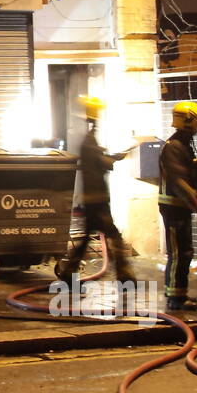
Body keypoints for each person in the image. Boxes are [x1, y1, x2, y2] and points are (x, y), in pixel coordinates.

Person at [54, 96, 134, 282]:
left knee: (84, 243)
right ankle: (125, 277)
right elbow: (103, 163)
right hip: (97, 200)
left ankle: (69, 273)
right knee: (115, 236)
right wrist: (121, 153)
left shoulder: (88, 140)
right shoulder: (89, 141)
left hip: (93, 198)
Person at [159, 101, 197, 311]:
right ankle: (175, 298)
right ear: (187, 120)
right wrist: (193, 199)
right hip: (174, 207)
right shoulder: (174, 147)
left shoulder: (183, 144)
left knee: (184, 251)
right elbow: (178, 179)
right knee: (179, 253)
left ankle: (178, 293)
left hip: (180, 206)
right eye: (196, 120)